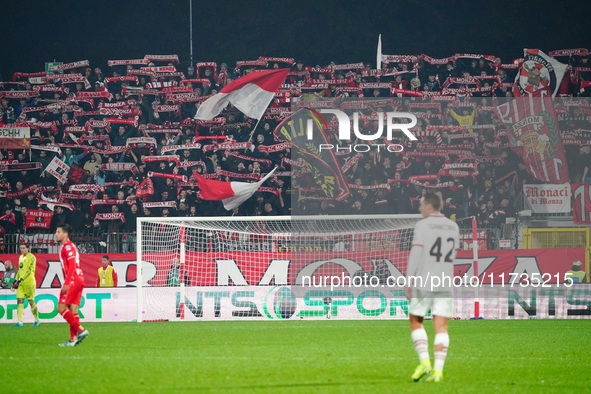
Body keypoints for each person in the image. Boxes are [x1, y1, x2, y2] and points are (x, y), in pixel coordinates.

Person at [406, 192, 459, 383]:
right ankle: (438, 371)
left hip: (425, 280)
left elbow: (416, 253)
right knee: (441, 327)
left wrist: (409, 280)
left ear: (429, 206)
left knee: (416, 320)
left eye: (421, 205)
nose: (419, 209)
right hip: (445, 281)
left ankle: (424, 363)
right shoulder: (454, 226)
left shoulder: (423, 225)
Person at [56, 224, 89, 347]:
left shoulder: (68, 246)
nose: (56, 234)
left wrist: (66, 282)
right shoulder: (70, 246)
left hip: (73, 280)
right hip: (79, 279)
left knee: (61, 308)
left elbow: (72, 266)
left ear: (65, 234)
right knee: (73, 309)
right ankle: (72, 339)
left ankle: (81, 330)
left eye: (58, 232)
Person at [12, 244, 41, 327]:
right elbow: (20, 270)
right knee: (19, 300)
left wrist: (21, 279)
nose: (22, 250)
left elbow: (29, 270)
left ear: (28, 248)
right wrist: (15, 280)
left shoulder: (32, 257)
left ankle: (37, 320)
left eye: (24, 248)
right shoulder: (20, 257)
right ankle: (20, 322)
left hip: (29, 282)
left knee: (31, 302)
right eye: (21, 248)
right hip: (21, 283)